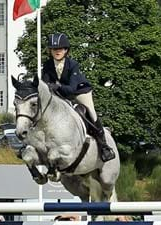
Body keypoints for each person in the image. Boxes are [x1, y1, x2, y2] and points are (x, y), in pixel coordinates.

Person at [41, 32, 115, 162]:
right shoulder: (47, 65)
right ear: (50, 51)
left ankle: (103, 145)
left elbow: (72, 88)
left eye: (60, 48)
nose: (57, 51)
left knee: (91, 112)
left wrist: (56, 87)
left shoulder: (73, 64)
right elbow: (45, 85)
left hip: (80, 92)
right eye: (54, 49)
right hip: (60, 95)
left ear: (66, 50)